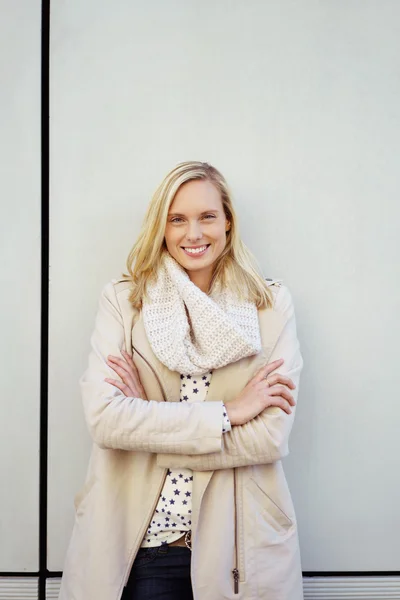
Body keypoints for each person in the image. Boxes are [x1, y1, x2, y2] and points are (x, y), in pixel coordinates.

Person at [59, 161, 304, 600]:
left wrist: (150, 429)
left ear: (228, 221)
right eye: (178, 219)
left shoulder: (269, 305)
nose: (194, 233)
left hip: (237, 551)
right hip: (143, 550)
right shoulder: (125, 300)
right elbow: (105, 421)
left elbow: (269, 437)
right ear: (162, 227)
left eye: (207, 216)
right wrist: (230, 413)